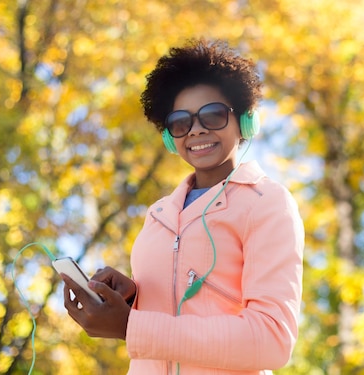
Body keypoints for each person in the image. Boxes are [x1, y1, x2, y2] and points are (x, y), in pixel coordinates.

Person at [61, 38, 305, 375]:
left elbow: (271, 339)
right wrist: (132, 299)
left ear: (245, 121)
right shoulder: (158, 215)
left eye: (213, 115)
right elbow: (175, 311)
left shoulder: (267, 203)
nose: (197, 129)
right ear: (169, 137)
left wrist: (131, 326)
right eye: (181, 122)